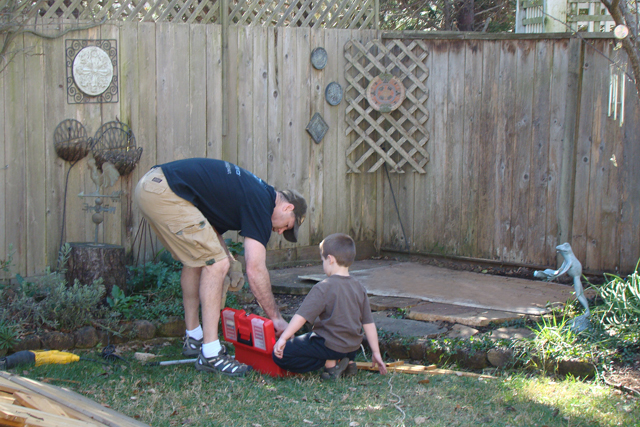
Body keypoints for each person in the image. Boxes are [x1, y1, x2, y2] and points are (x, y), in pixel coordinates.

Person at [134, 158, 306, 376]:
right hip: (165, 192)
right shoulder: (262, 203)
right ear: (288, 207)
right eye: (287, 226)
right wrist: (276, 318)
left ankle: (195, 338)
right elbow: (255, 269)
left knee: (199, 259)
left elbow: (212, 234)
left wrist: (231, 262)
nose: (280, 232)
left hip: (152, 186)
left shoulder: (252, 191)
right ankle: (211, 353)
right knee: (216, 263)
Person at [272, 233, 387, 379]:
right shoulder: (359, 287)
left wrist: (284, 337)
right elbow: (368, 323)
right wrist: (376, 352)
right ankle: (348, 362)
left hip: (330, 346)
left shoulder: (324, 287)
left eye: (323, 260)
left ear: (330, 259)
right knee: (344, 334)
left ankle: (329, 363)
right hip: (352, 346)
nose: (323, 265)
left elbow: (302, 316)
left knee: (281, 355)